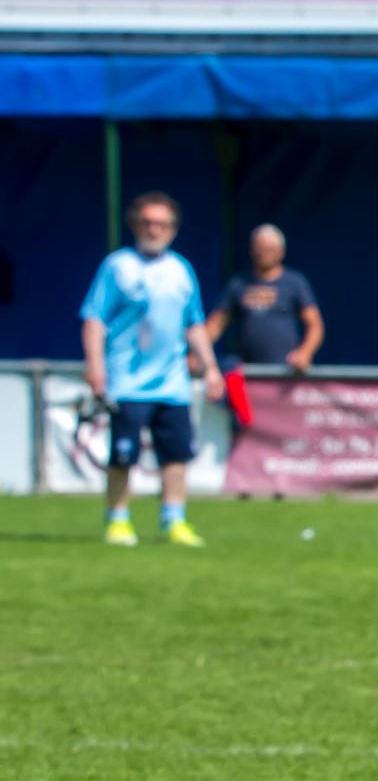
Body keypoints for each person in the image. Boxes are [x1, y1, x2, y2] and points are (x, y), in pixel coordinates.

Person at [81, 191, 224, 548]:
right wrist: (95, 367)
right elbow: (94, 319)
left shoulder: (181, 270)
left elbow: (194, 324)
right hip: (126, 381)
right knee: (123, 455)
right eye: (147, 222)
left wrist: (211, 369)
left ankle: (173, 520)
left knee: (176, 455)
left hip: (172, 383)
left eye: (161, 223)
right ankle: (118, 520)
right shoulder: (118, 266)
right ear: (135, 225)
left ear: (173, 229)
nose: (154, 229)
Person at [206, 224, 324, 373]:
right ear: (251, 249)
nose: (263, 253)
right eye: (259, 248)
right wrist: (196, 354)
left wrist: (305, 352)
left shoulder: (295, 282)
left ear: (281, 252)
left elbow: (315, 325)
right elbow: (216, 324)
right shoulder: (238, 284)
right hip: (248, 374)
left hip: (286, 373)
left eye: (269, 249)